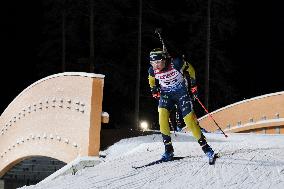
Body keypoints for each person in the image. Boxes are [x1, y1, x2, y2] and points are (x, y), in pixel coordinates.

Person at [148, 48, 215, 162]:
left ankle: (207, 149)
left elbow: (191, 70)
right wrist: (154, 89)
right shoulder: (152, 70)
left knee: (189, 120)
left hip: (181, 92)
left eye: (158, 62)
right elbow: (151, 80)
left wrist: (193, 85)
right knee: (162, 118)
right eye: (153, 63)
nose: (156, 66)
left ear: (164, 59)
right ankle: (168, 151)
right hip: (166, 94)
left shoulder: (176, 63)